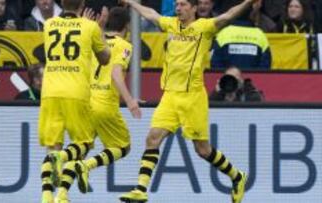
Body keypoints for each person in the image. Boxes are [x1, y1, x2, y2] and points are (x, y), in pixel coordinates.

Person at [119, 0, 257, 202]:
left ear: (194, 8)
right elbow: (150, 14)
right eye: (177, 5)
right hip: (170, 95)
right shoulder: (171, 24)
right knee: (152, 138)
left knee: (203, 150)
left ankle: (237, 177)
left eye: (183, 5)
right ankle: (140, 189)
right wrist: (132, 2)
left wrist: (248, 2)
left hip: (193, 96)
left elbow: (228, 15)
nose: (178, 8)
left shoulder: (204, 27)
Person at [53, 7, 142, 202]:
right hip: (105, 104)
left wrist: (90, 24)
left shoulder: (91, 39)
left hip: (84, 102)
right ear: (127, 26)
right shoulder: (124, 45)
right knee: (122, 146)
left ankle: (61, 193)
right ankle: (88, 166)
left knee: (81, 148)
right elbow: (116, 73)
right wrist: (130, 101)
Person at [38, 0, 110, 202]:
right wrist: (100, 29)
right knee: (82, 144)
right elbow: (105, 58)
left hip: (50, 91)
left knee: (53, 145)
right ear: (83, 4)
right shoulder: (90, 27)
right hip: (76, 91)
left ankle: (46, 195)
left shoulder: (48, 24)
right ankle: (62, 194)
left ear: (61, 4)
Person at [211, 6, 272, 70]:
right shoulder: (260, 34)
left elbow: (215, 63)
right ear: (251, 14)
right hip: (253, 79)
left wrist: (227, 78)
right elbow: (265, 64)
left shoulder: (223, 33)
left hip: (229, 79)